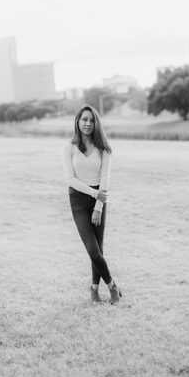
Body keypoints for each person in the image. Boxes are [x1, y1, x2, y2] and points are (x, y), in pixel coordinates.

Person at [62, 105, 123, 305]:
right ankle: (113, 286)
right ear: (77, 122)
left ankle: (94, 290)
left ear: (96, 123)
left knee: (99, 248)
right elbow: (70, 179)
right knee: (92, 249)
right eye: (84, 119)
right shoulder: (69, 147)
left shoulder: (103, 148)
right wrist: (95, 194)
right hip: (78, 200)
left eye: (91, 120)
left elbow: (105, 178)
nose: (87, 123)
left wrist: (98, 205)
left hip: (99, 200)